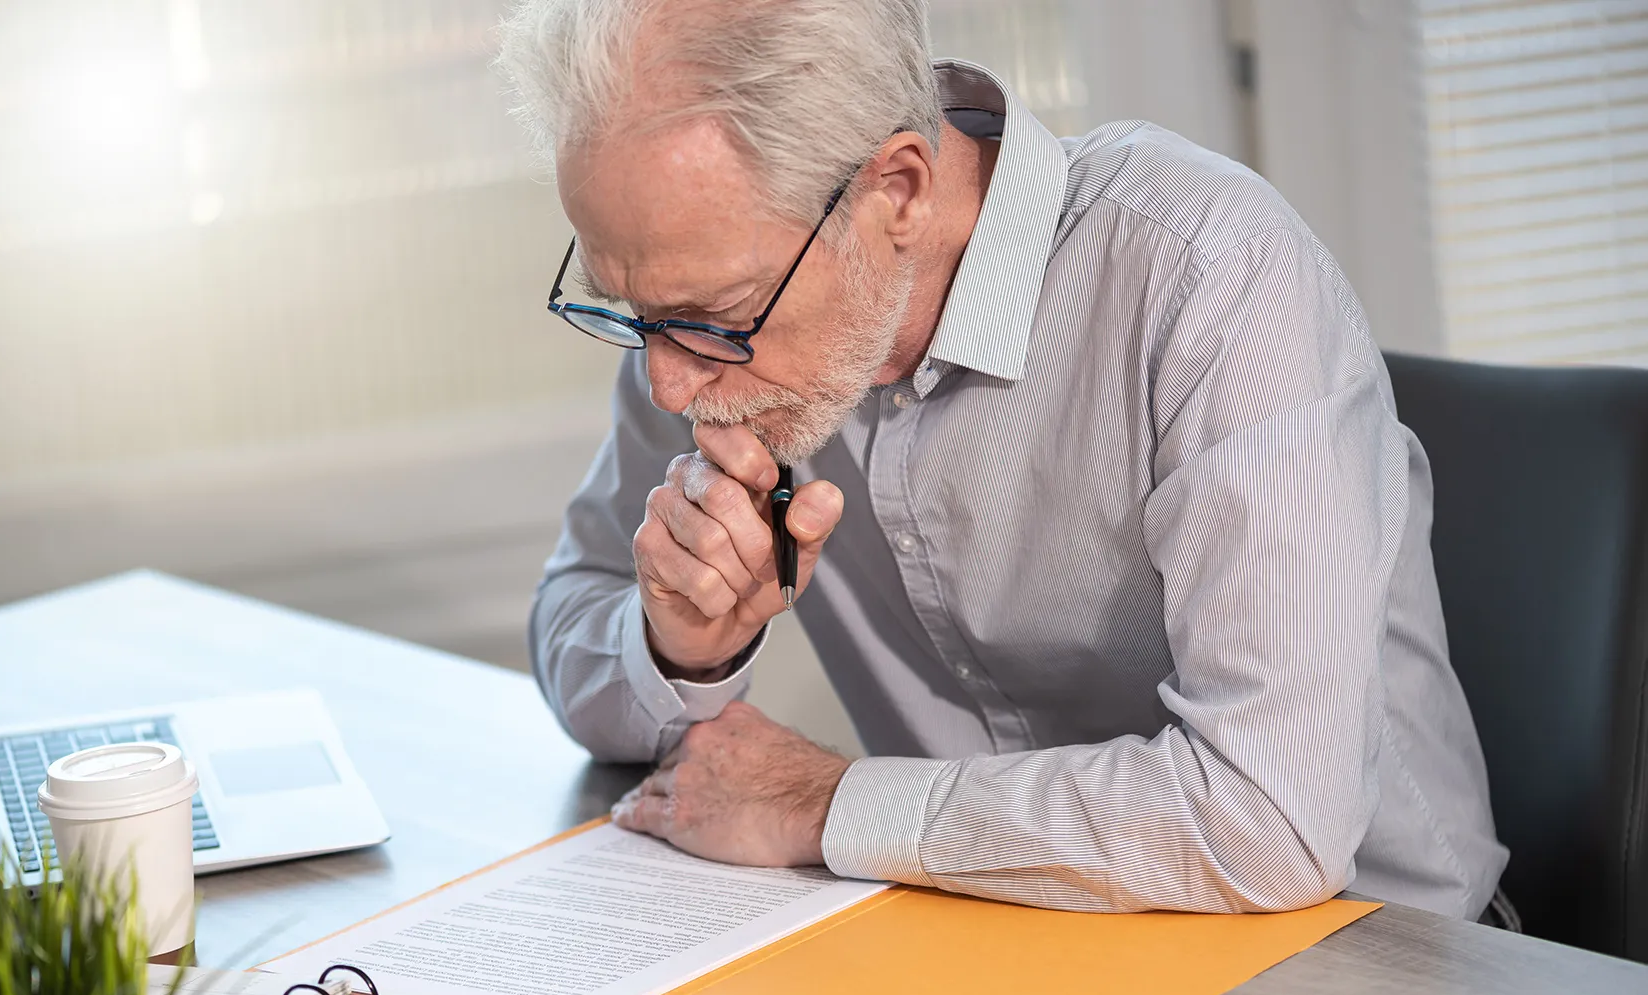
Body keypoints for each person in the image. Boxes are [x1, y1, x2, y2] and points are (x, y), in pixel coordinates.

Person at [498, 0, 1509, 920]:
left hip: (1364, 961)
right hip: (993, 944)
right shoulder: (705, 304)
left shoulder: (1210, 275)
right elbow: (574, 609)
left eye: (709, 320)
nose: (667, 386)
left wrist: (824, 805)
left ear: (894, 190)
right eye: (630, 312)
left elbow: (1269, 821)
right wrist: (682, 646)